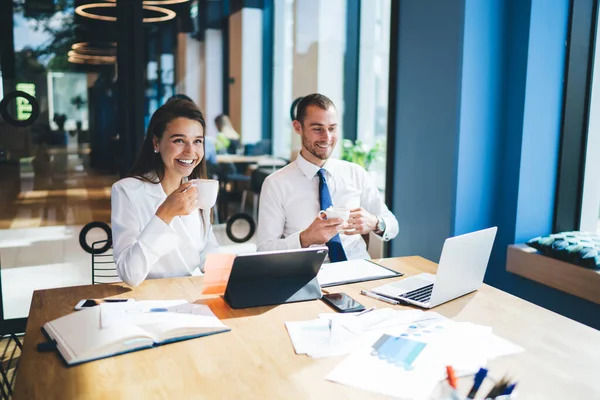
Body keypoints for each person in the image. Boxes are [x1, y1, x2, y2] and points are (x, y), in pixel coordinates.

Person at [256, 93, 398, 261]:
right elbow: (264, 250)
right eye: (317, 129)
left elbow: (393, 225)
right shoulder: (276, 184)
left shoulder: (356, 173)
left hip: (358, 271)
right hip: (308, 276)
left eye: (332, 128)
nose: (327, 137)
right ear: (297, 127)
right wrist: (305, 238)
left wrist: (376, 222)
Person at [111, 99, 218, 287]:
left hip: (188, 294)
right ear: (156, 143)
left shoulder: (199, 189)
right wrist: (165, 214)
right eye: (179, 141)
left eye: (197, 141)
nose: (190, 151)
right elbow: (130, 273)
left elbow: (207, 249)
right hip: (146, 299)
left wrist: (226, 270)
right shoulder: (126, 191)